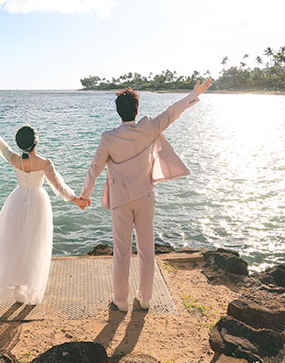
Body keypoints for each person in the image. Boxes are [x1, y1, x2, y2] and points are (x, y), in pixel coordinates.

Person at [80, 78, 212, 311]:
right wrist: (194, 94)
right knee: (146, 249)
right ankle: (146, 298)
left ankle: (120, 300)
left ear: (118, 111)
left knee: (121, 252)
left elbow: (95, 168)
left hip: (121, 200)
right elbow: (172, 112)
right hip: (145, 197)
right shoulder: (149, 127)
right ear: (136, 109)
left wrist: (85, 195)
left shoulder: (108, 138)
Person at [0, 119, 89, 305]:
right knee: (34, 245)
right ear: (36, 142)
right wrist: (76, 200)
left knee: (17, 243)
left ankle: (19, 289)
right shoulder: (45, 163)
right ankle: (32, 287)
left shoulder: (14, 159)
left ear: (20, 144)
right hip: (37, 203)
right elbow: (59, 187)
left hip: (16, 202)